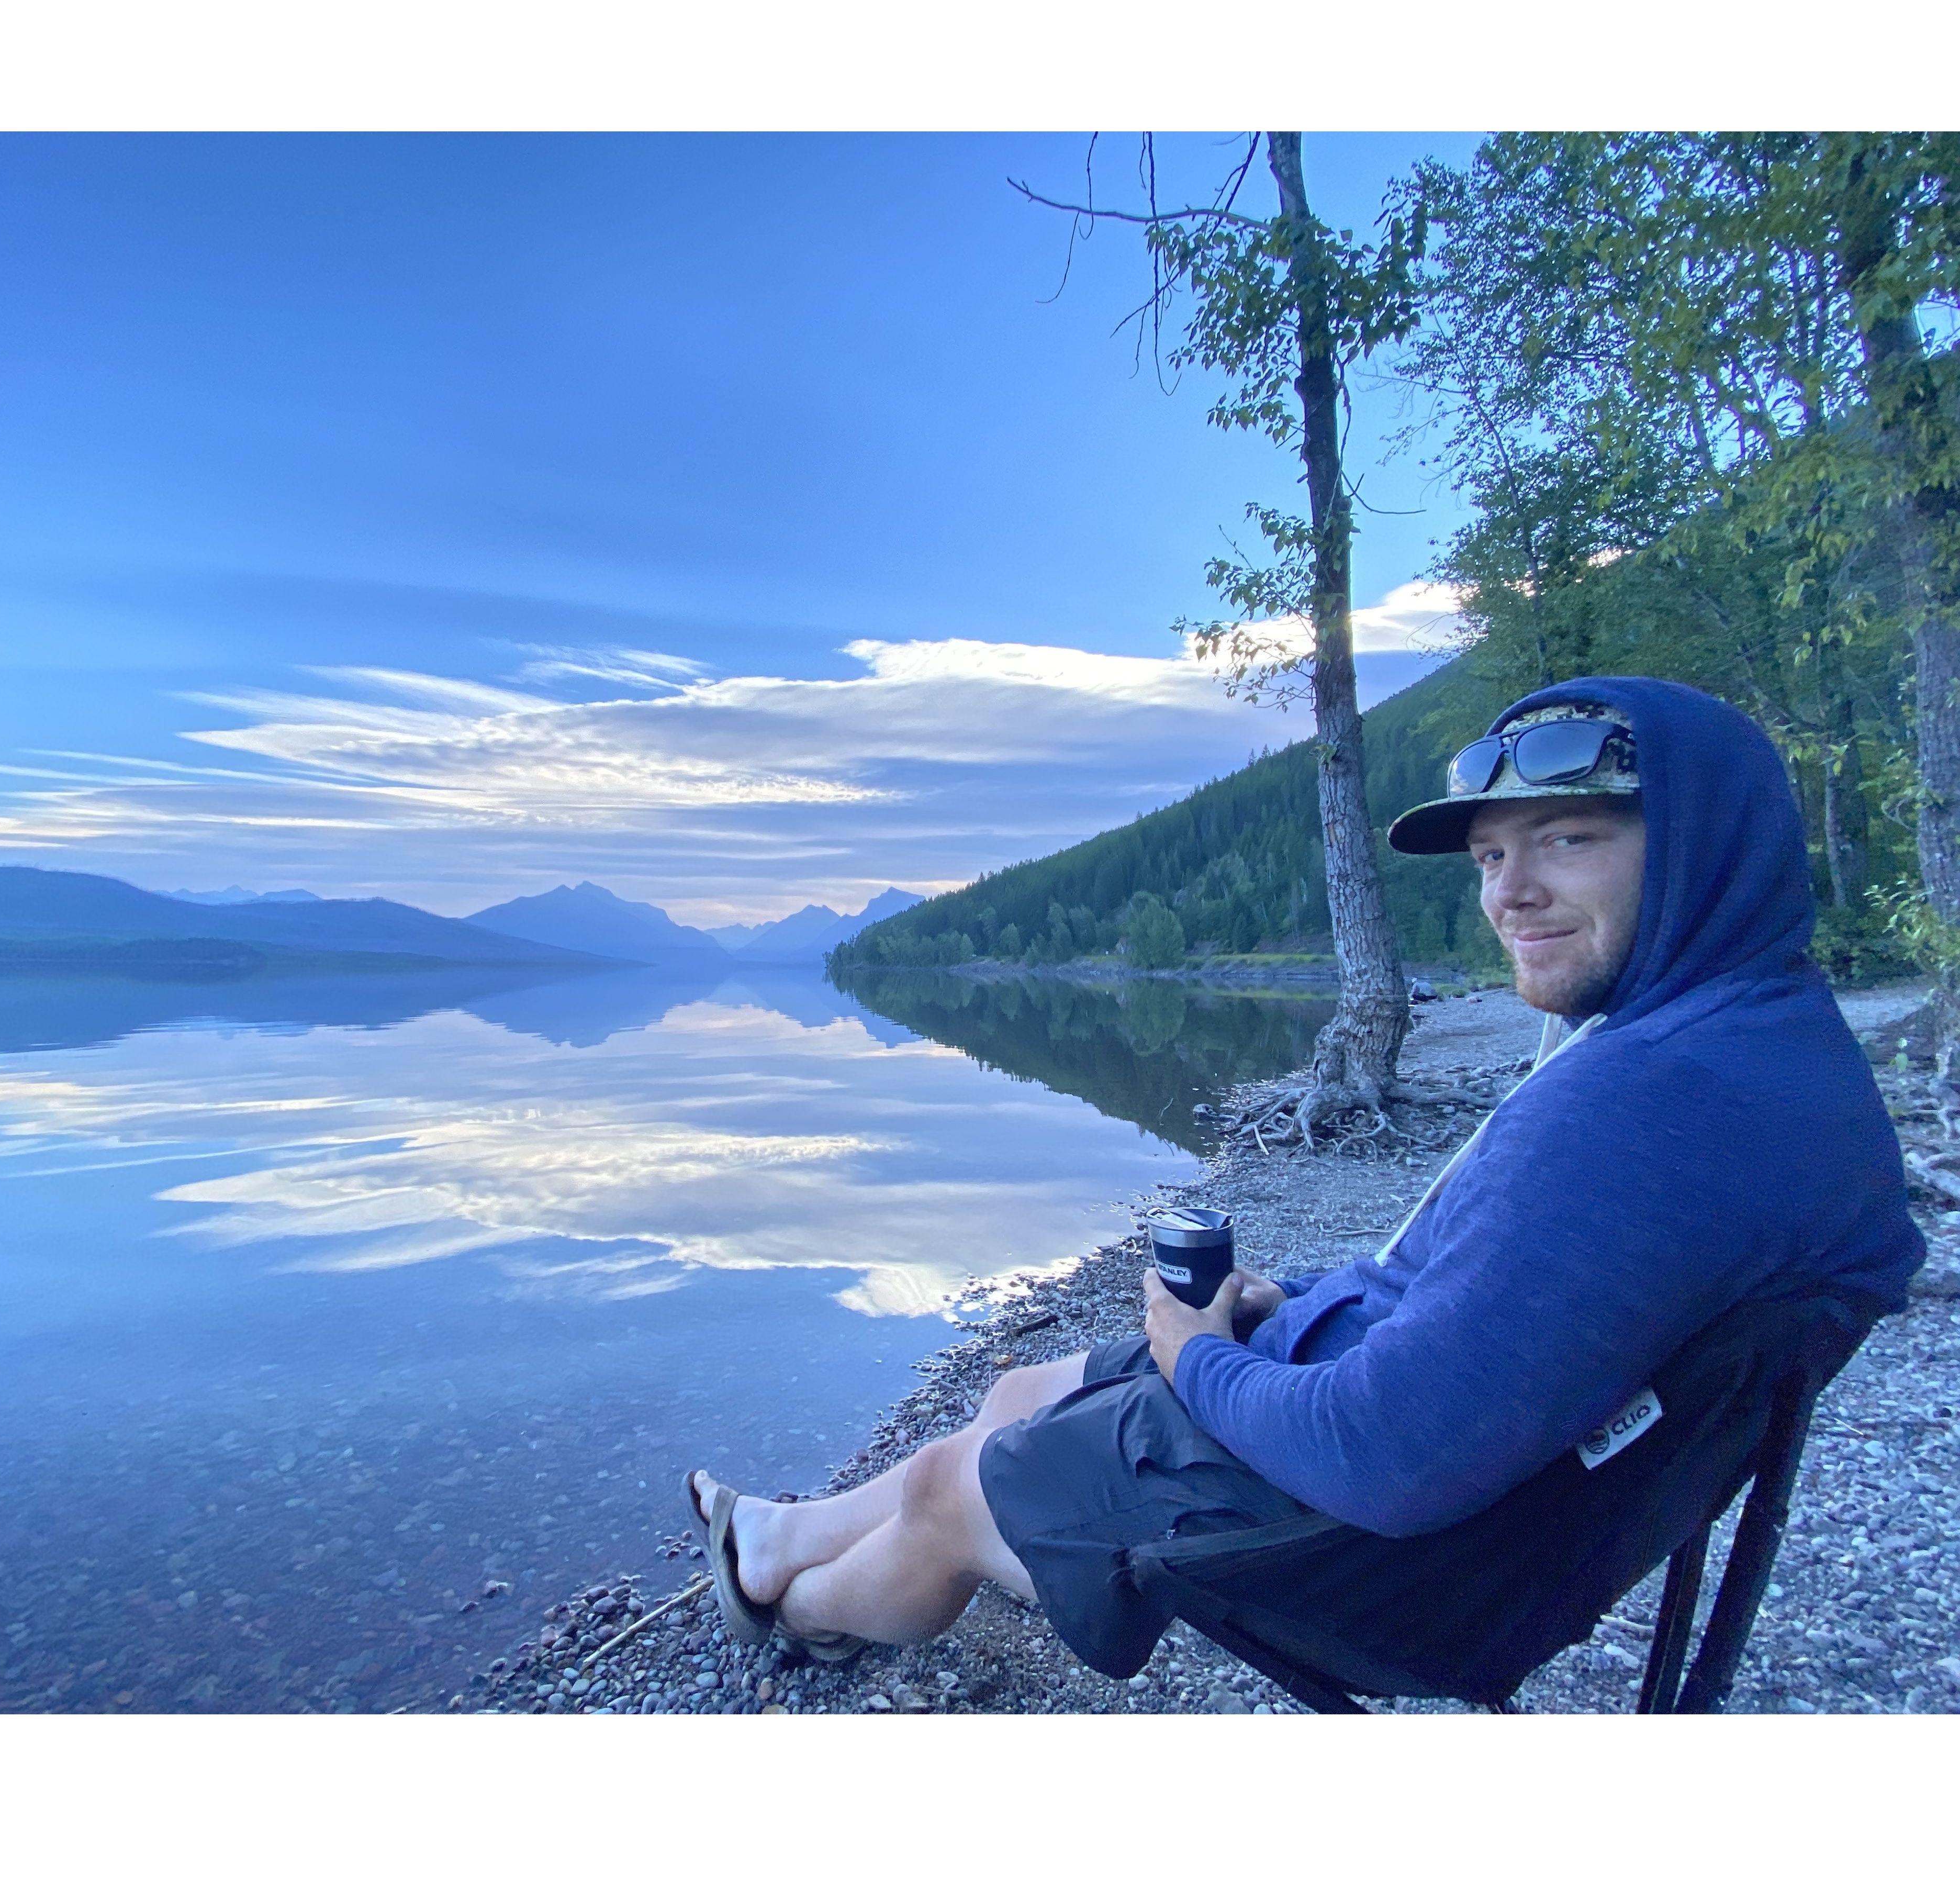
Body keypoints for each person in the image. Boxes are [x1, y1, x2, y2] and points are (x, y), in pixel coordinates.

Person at [686, 677, 1922, 1679]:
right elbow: (1509, 1297)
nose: (1510, 893)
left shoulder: (1658, 1097)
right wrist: (1297, 1311)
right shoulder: (1753, 1048)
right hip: (1445, 1465)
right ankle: (778, 1541)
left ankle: (802, 1615)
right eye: (1490, 856)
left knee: (957, 1484)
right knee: (1017, 1388)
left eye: (1570, 839)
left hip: (1376, 1555)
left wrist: (1196, 1357)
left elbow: (1388, 1455)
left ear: (1703, 844)